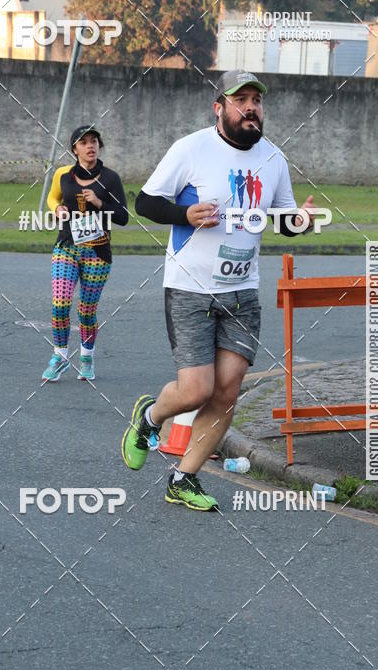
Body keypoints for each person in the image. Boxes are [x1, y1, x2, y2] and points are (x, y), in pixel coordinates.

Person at [121, 70, 314, 512]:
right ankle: (149, 417)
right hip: (190, 287)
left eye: (256, 101)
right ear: (219, 107)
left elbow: (282, 222)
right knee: (195, 390)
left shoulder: (274, 159)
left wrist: (298, 221)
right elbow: (145, 202)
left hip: (242, 292)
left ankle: (183, 477)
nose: (251, 107)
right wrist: (184, 213)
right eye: (240, 99)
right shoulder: (191, 149)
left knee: (226, 391)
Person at [42, 125, 128, 382]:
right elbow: (52, 198)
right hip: (67, 246)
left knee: (86, 311)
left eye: (94, 141)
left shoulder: (110, 178)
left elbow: (123, 216)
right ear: (75, 149)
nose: (90, 146)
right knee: (60, 304)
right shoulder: (63, 175)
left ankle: (87, 357)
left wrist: (99, 202)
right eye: (84, 142)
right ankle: (59, 357)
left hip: (97, 251)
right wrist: (57, 209)